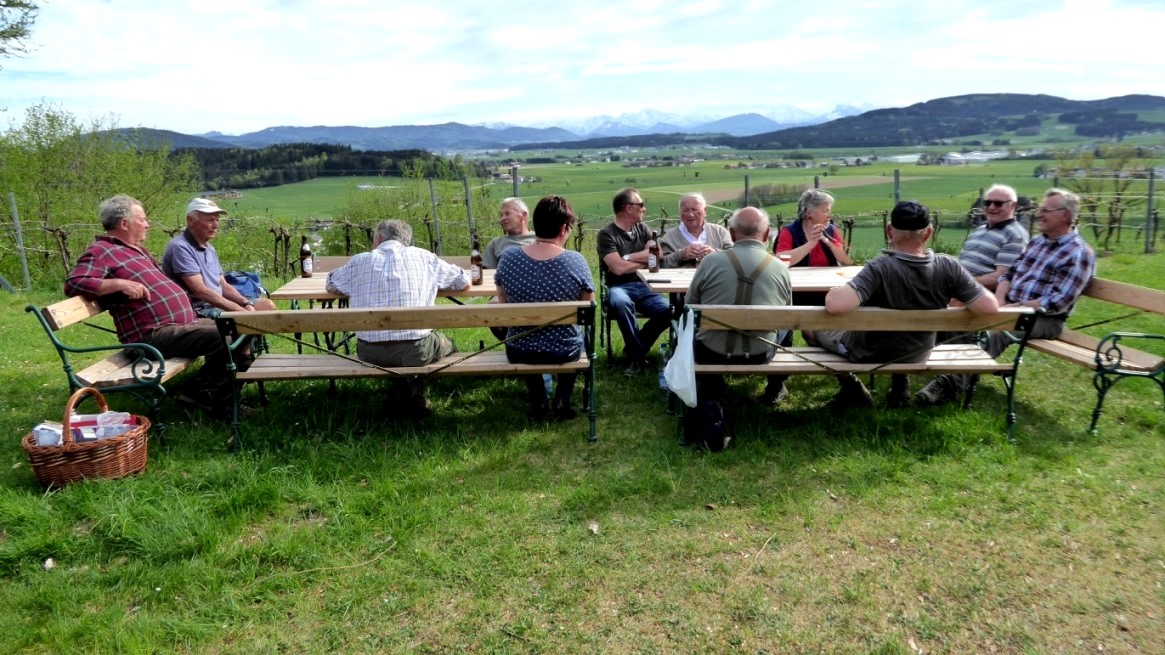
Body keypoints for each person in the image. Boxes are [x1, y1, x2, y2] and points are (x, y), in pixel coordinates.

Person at [806, 200, 999, 408]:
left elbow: (836, 305)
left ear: (889, 231)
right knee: (901, 336)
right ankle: (900, 385)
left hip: (868, 353)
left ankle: (851, 386)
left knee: (810, 329)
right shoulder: (949, 267)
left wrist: (834, 292)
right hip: (917, 353)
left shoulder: (879, 268)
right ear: (928, 233)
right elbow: (989, 307)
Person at [916, 188, 1096, 406]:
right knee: (960, 316)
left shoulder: (1078, 253)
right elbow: (1008, 274)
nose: (1038, 214)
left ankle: (946, 386)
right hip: (1012, 306)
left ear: (1065, 215)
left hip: (1044, 318)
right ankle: (956, 370)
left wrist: (1017, 307)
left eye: (1045, 210)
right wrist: (1000, 301)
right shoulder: (1038, 242)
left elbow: (1058, 301)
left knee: (998, 332)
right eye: (1040, 209)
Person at [64, 194, 234, 412]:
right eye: (142, 219)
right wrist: (118, 284)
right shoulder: (102, 251)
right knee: (223, 336)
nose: (147, 224)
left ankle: (207, 391)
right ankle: (213, 400)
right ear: (124, 223)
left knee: (239, 326)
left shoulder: (137, 251)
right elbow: (75, 283)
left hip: (179, 325)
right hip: (150, 336)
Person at [325, 219, 469, 417]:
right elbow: (463, 280)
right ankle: (413, 389)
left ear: (378, 239)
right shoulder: (424, 258)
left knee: (395, 349)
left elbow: (331, 283)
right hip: (416, 352)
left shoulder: (359, 261)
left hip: (369, 352)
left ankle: (402, 391)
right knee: (448, 344)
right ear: (406, 240)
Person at [494, 196, 594, 420]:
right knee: (578, 337)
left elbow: (503, 303)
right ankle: (562, 401)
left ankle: (538, 399)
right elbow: (588, 307)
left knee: (523, 335)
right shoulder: (576, 261)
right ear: (564, 228)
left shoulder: (508, 258)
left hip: (520, 350)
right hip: (563, 350)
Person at [685, 206, 791, 399]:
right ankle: (775, 387)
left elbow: (690, 304)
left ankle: (714, 385)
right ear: (766, 234)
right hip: (761, 353)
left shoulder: (710, 262)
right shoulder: (780, 267)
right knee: (787, 325)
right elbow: (786, 313)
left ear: (732, 233)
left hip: (711, 353)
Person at [596, 188, 671, 376]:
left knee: (669, 310)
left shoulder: (643, 229)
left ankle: (633, 350)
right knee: (621, 304)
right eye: (641, 205)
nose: (644, 209)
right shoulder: (606, 234)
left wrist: (627, 257)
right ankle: (638, 357)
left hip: (645, 286)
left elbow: (658, 255)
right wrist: (645, 261)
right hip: (618, 287)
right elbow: (618, 269)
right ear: (628, 208)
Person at [162, 197, 277, 317]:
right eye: (210, 220)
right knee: (247, 318)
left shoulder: (209, 248)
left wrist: (245, 302)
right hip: (200, 310)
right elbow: (200, 291)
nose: (216, 225)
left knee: (267, 305)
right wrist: (241, 311)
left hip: (217, 305)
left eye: (217, 220)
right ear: (191, 221)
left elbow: (223, 285)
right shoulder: (180, 247)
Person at [957, 184, 1029, 291]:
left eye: (998, 204)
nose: (991, 207)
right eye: (987, 203)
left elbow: (1002, 278)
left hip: (976, 293)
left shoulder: (1015, 235)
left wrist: (961, 284)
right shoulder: (979, 230)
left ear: (1012, 205)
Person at [774, 189, 853, 269]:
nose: (829, 216)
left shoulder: (831, 231)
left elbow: (847, 261)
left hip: (828, 276)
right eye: (826, 211)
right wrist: (810, 244)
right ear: (808, 213)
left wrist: (827, 242)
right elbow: (780, 260)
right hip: (798, 276)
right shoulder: (789, 231)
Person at [659, 192, 733, 267]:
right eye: (685, 210)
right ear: (680, 213)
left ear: (705, 211)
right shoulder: (669, 237)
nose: (690, 214)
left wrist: (715, 253)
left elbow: (734, 257)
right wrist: (681, 254)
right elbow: (661, 264)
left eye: (694, 209)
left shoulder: (720, 232)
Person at [483, 197, 536, 268]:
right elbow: (486, 272)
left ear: (523, 215)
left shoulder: (539, 239)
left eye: (507, 214)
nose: (502, 219)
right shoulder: (495, 244)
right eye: (501, 215)